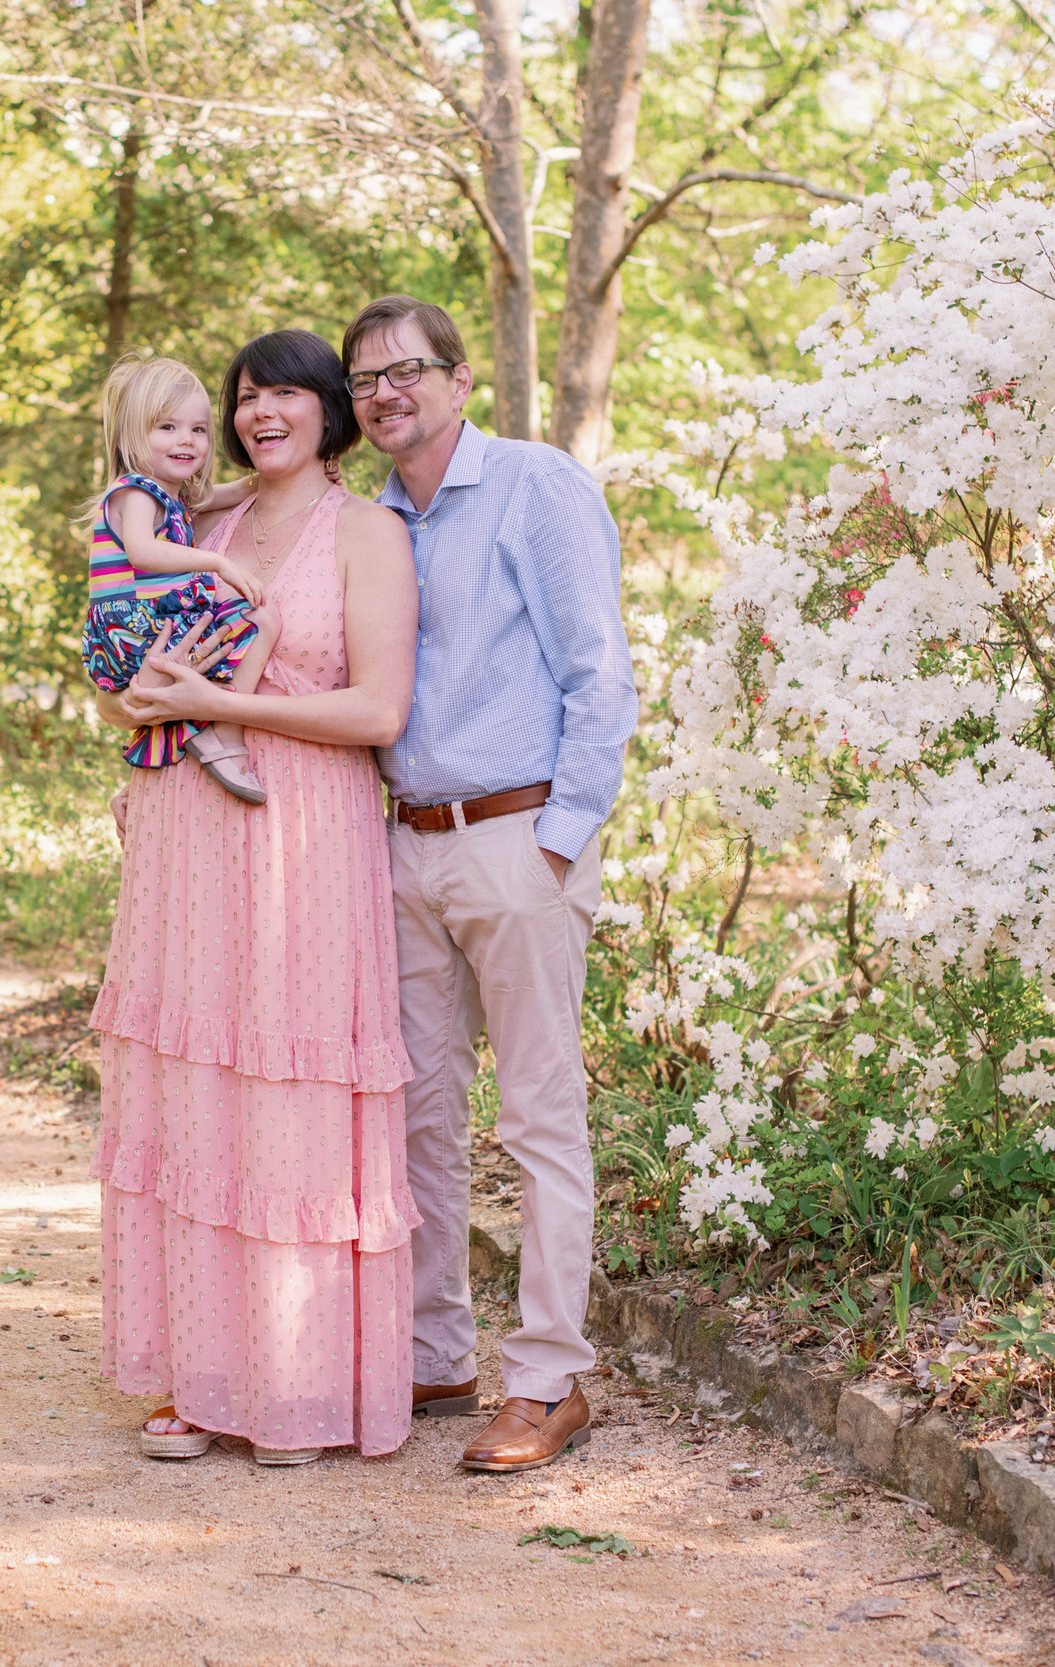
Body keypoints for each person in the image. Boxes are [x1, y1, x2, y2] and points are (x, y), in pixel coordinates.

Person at [91, 328, 420, 1465]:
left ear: (329, 409)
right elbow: (125, 676)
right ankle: (196, 1374)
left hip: (307, 841)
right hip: (186, 832)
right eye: (244, 396)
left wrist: (241, 712)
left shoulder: (367, 533)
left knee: (288, 1092)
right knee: (197, 1096)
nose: (258, 410)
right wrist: (148, 699)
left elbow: (377, 712)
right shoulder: (198, 525)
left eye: (284, 392)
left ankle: (295, 1383)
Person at [345, 295, 637, 1474]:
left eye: (407, 370)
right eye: (364, 382)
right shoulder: (367, 522)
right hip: (403, 842)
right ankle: (436, 1350)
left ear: (460, 380)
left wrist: (563, 837)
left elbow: (598, 669)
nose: (385, 393)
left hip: (518, 836)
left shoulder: (534, 485)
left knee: (536, 1114)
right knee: (416, 1113)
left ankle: (550, 1377)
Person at [80, 355, 276, 803]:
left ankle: (156, 769)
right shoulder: (135, 492)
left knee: (230, 633)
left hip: (138, 633)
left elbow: (226, 493)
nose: (186, 440)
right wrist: (217, 563)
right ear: (134, 434)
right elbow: (141, 550)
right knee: (264, 621)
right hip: (138, 630)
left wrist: (271, 474)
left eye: (198, 430)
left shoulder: (171, 496)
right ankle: (224, 734)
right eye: (167, 428)